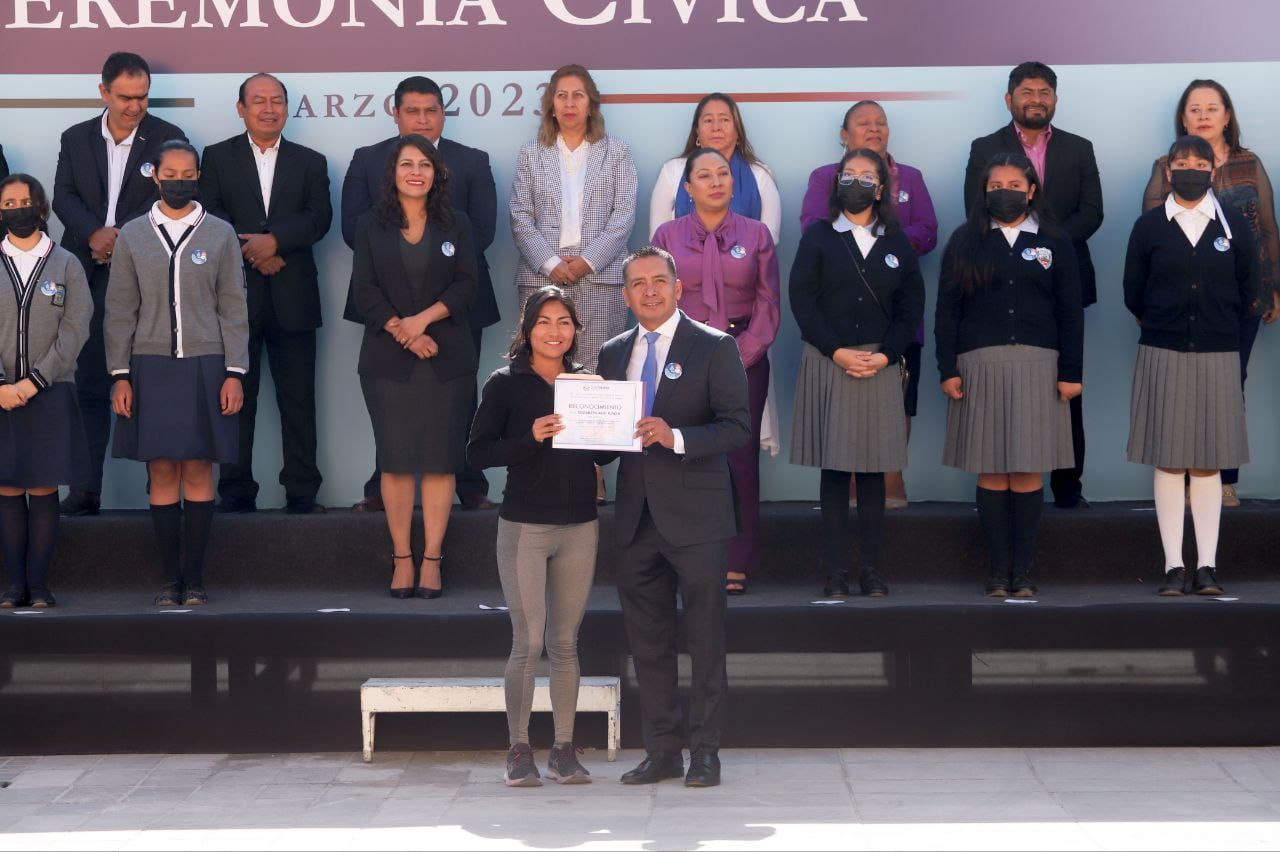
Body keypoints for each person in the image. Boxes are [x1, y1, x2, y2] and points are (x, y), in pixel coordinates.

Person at [598, 246, 749, 789]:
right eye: (637, 284)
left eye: (658, 281)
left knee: (705, 642)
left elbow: (736, 427)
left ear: (677, 286)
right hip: (636, 522)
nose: (649, 292)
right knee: (649, 644)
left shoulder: (715, 347)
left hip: (698, 520)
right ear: (626, 294)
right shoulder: (613, 353)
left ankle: (705, 753)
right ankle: (662, 750)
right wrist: (570, 432)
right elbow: (606, 440)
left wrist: (677, 436)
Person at [342, 76, 499, 513]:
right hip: (385, 307)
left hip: (455, 308)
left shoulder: (472, 161)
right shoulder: (368, 160)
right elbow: (354, 229)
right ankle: (382, 482)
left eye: (431, 110)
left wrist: (428, 307)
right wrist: (401, 317)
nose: (422, 119)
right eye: (412, 110)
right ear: (395, 113)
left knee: (459, 397)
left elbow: (481, 232)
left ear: (442, 113)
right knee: (391, 395)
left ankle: (468, 481)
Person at [104, 141, 249, 606]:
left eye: (188, 173)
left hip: (207, 366)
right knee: (163, 468)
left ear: (198, 176)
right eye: (171, 173)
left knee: (199, 467)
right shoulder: (132, 234)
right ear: (155, 176)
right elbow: (120, 309)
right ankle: (171, 579)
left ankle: (197, 578)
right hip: (149, 366)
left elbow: (233, 306)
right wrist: (120, 374)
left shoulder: (221, 233)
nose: (179, 181)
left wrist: (234, 372)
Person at [467, 286, 598, 787]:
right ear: (527, 330)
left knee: (565, 643)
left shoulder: (588, 383)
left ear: (575, 331)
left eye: (564, 321)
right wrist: (530, 438)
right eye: (544, 321)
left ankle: (564, 749)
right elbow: (476, 453)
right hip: (524, 525)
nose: (554, 331)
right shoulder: (505, 383)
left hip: (581, 524)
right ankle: (518, 749)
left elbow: (602, 455)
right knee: (529, 641)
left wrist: (619, 432)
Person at [937, 152, 1083, 598]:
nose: (1006, 192)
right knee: (993, 471)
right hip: (980, 365)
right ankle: (998, 573)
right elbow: (948, 310)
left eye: (1015, 185)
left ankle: (1023, 572)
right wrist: (948, 368)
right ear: (984, 192)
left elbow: (1069, 310)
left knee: (1026, 470)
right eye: (996, 185)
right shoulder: (965, 241)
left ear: (1032, 190)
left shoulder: (1055, 242)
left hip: (1040, 365)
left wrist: (1071, 371)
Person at [52, 52, 187, 516]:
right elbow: (63, 196)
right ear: (103, 92)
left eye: (143, 96)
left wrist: (120, 237)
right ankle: (86, 490)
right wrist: (94, 233)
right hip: (87, 272)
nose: (135, 106)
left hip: (146, 274)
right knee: (89, 383)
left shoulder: (169, 138)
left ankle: (161, 492)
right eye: (126, 97)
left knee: (149, 384)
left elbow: (173, 199)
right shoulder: (75, 138)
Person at [964, 61, 1102, 511]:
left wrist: (1045, 246)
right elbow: (975, 208)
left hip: (1062, 279)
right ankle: (996, 478)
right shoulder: (984, 147)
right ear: (1010, 99)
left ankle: (1068, 485)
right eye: (1027, 91)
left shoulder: (1080, 148)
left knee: (1065, 382)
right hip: (996, 283)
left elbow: (1092, 212)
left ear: (1055, 100)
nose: (1036, 98)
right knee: (1000, 386)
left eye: (1045, 91)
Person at [790, 149, 925, 598]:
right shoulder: (820, 237)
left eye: (867, 177)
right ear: (837, 184)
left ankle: (871, 570)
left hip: (879, 366)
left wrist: (887, 355)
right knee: (835, 471)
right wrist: (837, 351)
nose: (857, 182)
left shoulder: (896, 241)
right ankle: (835, 573)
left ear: (882, 189)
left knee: (871, 475)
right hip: (833, 362)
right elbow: (802, 301)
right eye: (849, 174)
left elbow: (910, 308)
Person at [1141, 79, 1279, 508]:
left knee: (1228, 384)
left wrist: (1272, 287)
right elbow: (1149, 233)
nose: (1203, 115)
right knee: (1178, 387)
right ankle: (1179, 478)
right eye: (1194, 109)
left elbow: (1269, 230)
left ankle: (1222, 480)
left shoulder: (1249, 163)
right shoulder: (1165, 165)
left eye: (1212, 108)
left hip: (1240, 298)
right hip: (1178, 300)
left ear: (1227, 116)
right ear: (1182, 118)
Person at [1126, 136, 1254, 596]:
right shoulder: (1149, 227)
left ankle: (1208, 568)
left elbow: (1249, 287)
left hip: (1219, 353)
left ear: (1213, 172)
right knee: (1170, 458)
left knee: (1206, 463)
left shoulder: (1234, 225)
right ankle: (1173, 567)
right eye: (1182, 163)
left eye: (1200, 163)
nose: (1191, 170)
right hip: (1163, 349)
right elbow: (1133, 291)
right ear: (1168, 171)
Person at [200, 73, 332, 515]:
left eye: (277, 100)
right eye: (259, 101)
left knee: (299, 399)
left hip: (294, 296)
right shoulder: (217, 158)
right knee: (237, 396)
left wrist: (275, 241)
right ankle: (236, 490)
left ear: (287, 108)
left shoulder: (311, 160)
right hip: (235, 300)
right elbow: (209, 214)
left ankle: (302, 491)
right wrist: (254, 251)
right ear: (241, 108)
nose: (269, 108)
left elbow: (319, 217)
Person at [353, 135, 477, 599]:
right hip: (387, 360)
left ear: (436, 173)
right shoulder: (369, 225)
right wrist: (403, 332)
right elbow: (363, 289)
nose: (416, 172)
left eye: (425, 164)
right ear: (393, 173)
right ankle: (402, 557)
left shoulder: (457, 223)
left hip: (448, 360)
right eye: (407, 164)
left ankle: (432, 560)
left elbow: (468, 285)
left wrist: (422, 321)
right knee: (397, 461)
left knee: (443, 462)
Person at [651, 148, 779, 594]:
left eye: (722, 173)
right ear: (687, 189)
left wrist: (737, 355)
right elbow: (657, 300)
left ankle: (737, 558)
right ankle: (683, 555)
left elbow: (768, 302)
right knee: (683, 454)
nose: (715, 181)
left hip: (744, 354)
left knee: (739, 460)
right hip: (682, 355)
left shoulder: (756, 234)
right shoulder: (666, 236)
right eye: (703, 176)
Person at [801, 100, 938, 510]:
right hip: (839, 328)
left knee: (897, 404)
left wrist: (879, 242)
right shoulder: (825, 177)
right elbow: (813, 228)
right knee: (843, 414)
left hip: (894, 322)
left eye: (881, 123)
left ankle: (892, 480)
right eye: (864, 123)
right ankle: (852, 491)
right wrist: (859, 243)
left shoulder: (910, 177)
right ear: (844, 135)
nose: (874, 128)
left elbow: (928, 232)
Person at [0, 174, 92, 608]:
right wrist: (2, 387)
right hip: (0, 398)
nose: (18, 208)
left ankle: (39, 585)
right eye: (9, 202)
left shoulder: (66, 263)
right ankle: (13, 584)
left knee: (41, 489)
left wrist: (34, 381)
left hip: (49, 392)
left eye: (26, 201)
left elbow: (75, 329)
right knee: (7, 489)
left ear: (41, 208)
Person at [509, 64, 637, 371]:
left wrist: (586, 261)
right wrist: (552, 264)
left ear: (591, 104)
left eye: (577, 95)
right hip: (542, 278)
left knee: (598, 373)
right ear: (550, 105)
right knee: (540, 371)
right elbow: (520, 217)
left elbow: (623, 217)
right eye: (561, 96)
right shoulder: (531, 154)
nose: (569, 103)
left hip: (600, 277)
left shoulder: (616, 152)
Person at [648, 92, 781, 244]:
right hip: (683, 266)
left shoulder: (760, 175)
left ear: (737, 130)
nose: (716, 128)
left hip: (742, 266)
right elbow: (658, 238)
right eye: (708, 120)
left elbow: (769, 239)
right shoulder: (672, 171)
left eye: (724, 120)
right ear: (697, 130)